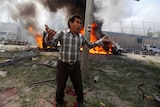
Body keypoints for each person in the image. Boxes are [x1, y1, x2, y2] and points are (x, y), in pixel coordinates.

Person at [44, 14, 110, 107]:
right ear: (70, 23)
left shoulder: (81, 37)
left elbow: (89, 45)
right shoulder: (62, 34)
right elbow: (50, 44)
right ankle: (59, 102)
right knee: (61, 86)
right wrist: (49, 36)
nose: (80, 25)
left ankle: (80, 101)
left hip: (75, 65)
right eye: (77, 22)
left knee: (78, 85)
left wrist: (101, 41)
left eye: (81, 23)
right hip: (63, 65)